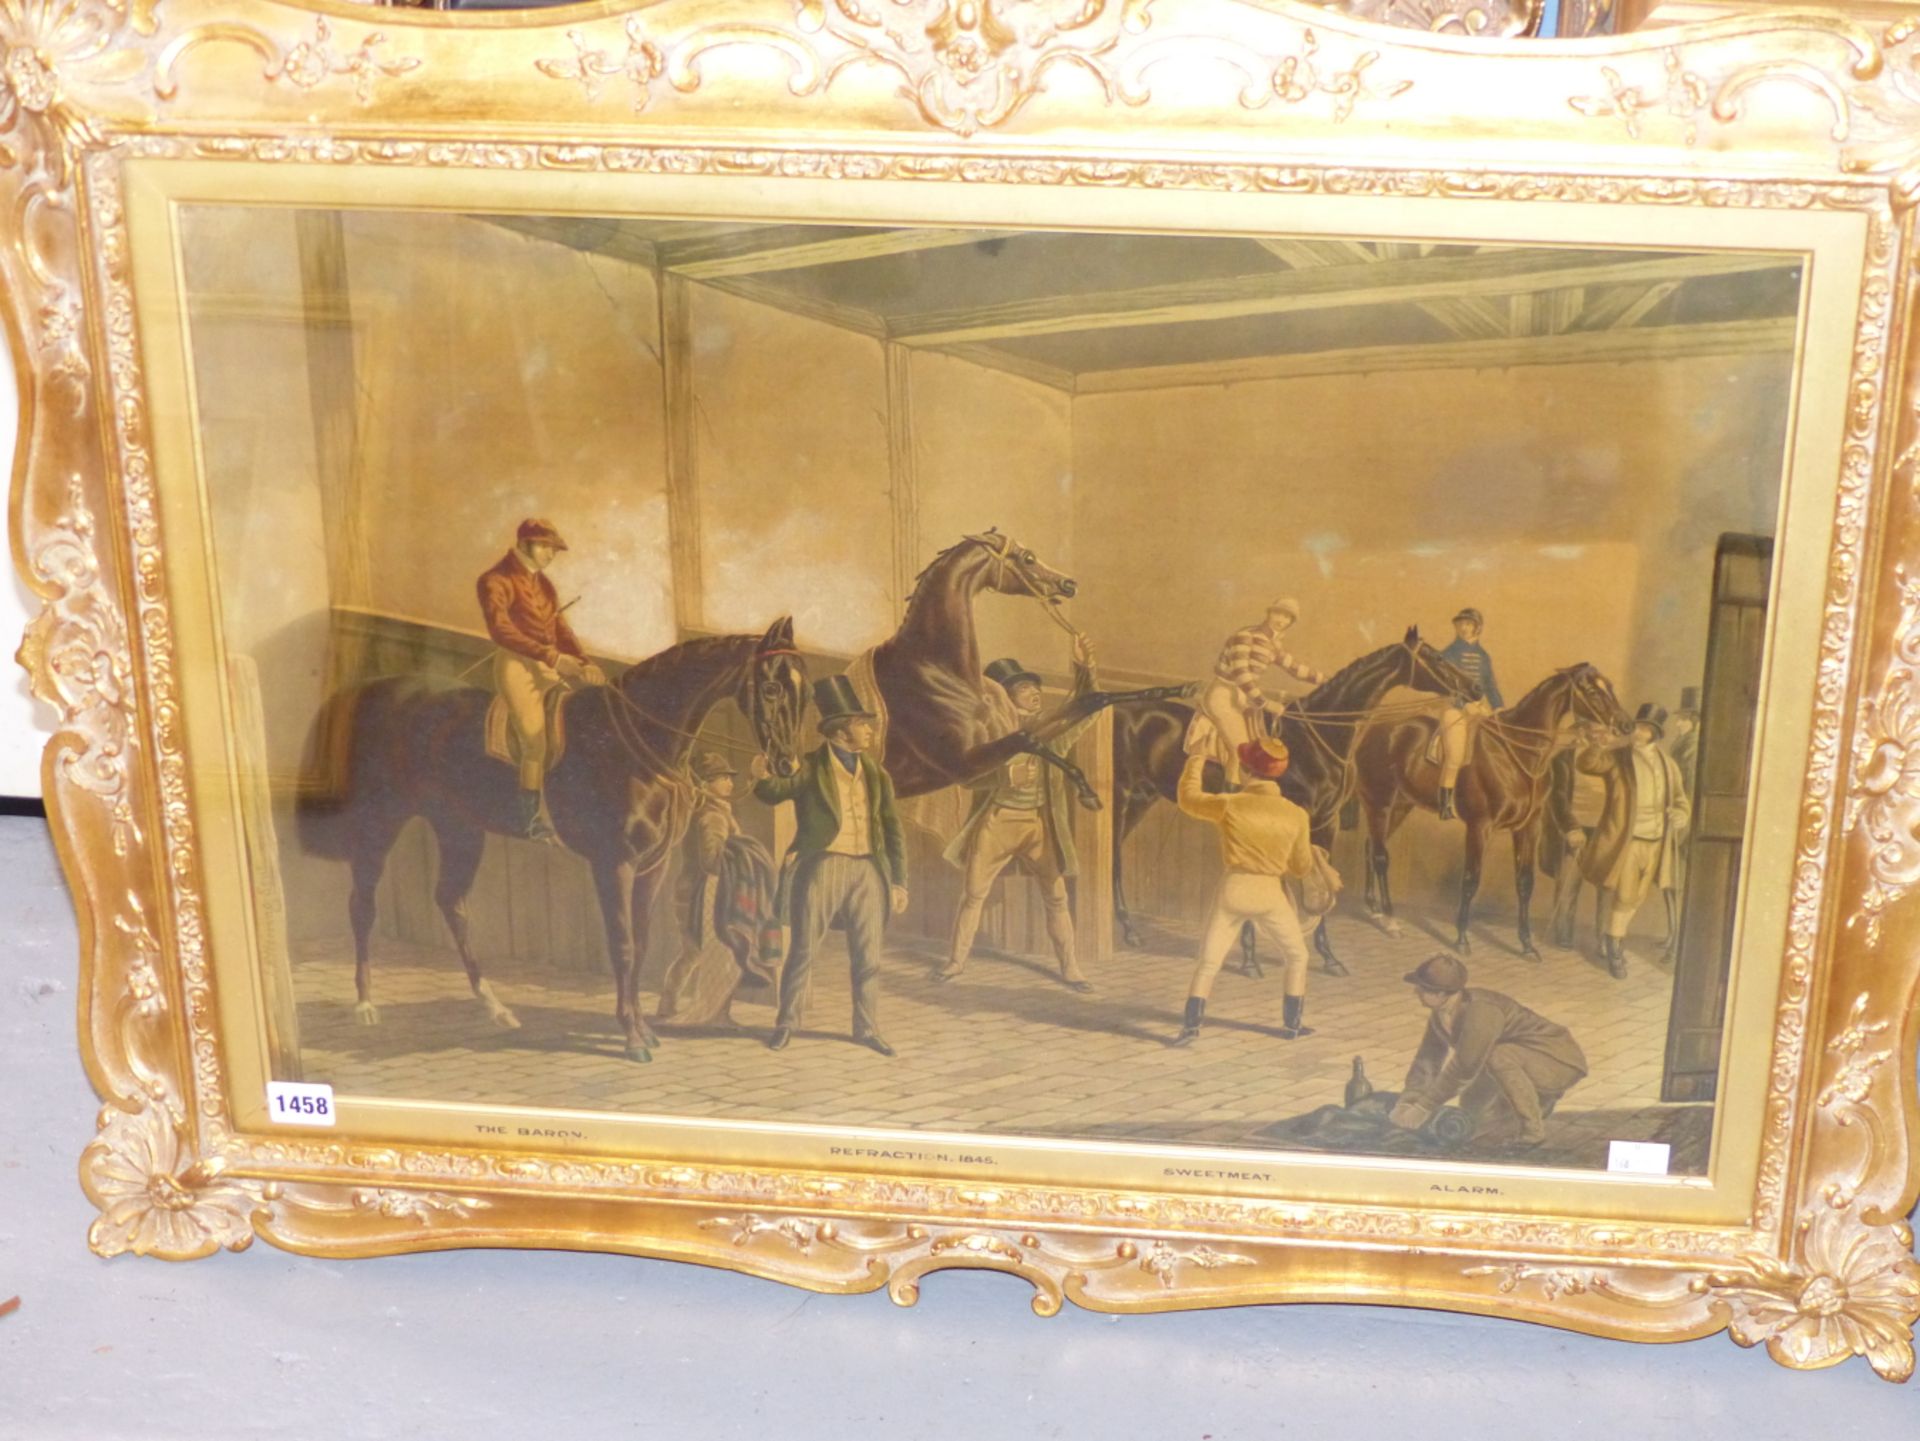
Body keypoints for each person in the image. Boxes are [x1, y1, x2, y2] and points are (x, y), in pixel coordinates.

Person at [753, 674, 908, 1056]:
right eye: (861, 724)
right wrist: (761, 775)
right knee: (804, 949)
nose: (869, 730)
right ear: (840, 733)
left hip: (869, 870)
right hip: (823, 866)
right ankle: (786, 1023)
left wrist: (899, 881)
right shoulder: (809, 767)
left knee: (869, 955)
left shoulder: (876, 773)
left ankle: (866, 1028)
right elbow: (776, 792)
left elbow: (892, 828)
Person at [940, 636, 1100, 990]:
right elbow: (965, 777)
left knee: (1057, 896)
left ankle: (1070, 967)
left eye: (1033, 687)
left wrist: (1085, 668)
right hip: (998, 821)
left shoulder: (1050, 730)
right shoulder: (987, 734)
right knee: (972, 894)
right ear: (1004, 697)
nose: (1034, 693)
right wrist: (1003, 776)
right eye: (1023, 688)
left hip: (1039, 825)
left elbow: (1087, 710)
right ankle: (955, 962)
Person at [1171, 736, 1320, 1046]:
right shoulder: (1297, 815)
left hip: (1234, 888)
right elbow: (1301, 867)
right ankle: (1292, 1025)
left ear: (1247, 770)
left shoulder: (1230, 804)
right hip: (1269, 893)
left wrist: (1197, 758)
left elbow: (1188, 799)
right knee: (1297, 955)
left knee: (1209, 961)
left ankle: (1191, 1028)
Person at [475, 518, 606, 840]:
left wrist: (584, 661)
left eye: (554, 548)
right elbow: (501, 631)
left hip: (550, 665)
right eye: (545, 546)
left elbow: (560, 630)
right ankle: (530, 821)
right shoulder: (494, 580)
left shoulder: (544, 584)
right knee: (535, 740)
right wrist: (553, 658)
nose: (551, 554)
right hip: (517, 667)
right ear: (524, 544)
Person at [1387, 954, 1588, 1150]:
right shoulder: (1440, 1014)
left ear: (1440, 993)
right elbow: (1427, 1060)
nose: (1416, 992)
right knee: (1474, 1114)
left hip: (1557, 1061)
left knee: (1497, 1056)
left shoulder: (1481, 1011)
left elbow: (1465, 1067)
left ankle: (1533, 1130)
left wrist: (1425, 1106)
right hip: (1515, 1060)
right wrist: (1409, 1100)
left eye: (1421, 989)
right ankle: (1533, 1105)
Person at [655, 751, 780, 1028]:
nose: (729, 784)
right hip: (704, 894)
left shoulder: (711, 809)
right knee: (710, 954)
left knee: (694, 953)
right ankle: (710, 1012)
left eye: (728, 778)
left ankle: (670, 1005)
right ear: (705, 783)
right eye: (722, 778)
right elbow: (712, 860)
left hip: (696, 891)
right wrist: (744, 854)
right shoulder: (712, 815)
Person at [1578, 702, 1691, 977]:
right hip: (1626, 839)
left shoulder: (1668, 764)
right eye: (1637, 727)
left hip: (1656, 841)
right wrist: (1597, 743)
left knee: (1637, 898)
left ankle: (1612, 936)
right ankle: (1615, 949)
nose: (1638, 733)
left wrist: (1681, 814)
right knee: (1625, 895)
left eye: (1644, 729)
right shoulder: (1618, 757)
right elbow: (1587, 763)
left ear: (1655, 733)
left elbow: (1680, 798)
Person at [1188, 599, 1324, 785]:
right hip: (1223, 695)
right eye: (1279, 613)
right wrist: (1266, 703)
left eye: (1287, 618)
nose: (1281, 620)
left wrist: (1329, 680)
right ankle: (1228, 806)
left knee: (1259, 755)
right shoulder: (1245, 636)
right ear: (1269, 613)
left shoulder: (1272, 644)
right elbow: (1241, 674)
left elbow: (1295, 668)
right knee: (1242, 752)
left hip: (1246, 700)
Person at [1541, 723, 1609, 951]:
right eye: (1594, 731)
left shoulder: (1610, 759)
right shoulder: (1563, 759)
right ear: (1582, 732)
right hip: (1575, 830)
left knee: (1608, 888)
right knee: (1568, 886)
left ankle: (1605, 940)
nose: (1600, 736)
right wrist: (1571, 828)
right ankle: (1563, 936)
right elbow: (1557, 796)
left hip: (1604, 832)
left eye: (1604, 731)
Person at [1435, 607, 1503, 822]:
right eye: (1460, 624)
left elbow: (1490, 685)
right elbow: (1444, 685)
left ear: (1477, 628)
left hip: (1478, 707)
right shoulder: (1448, 654)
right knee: (1455, 755)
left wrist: (1498, 707)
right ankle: (1444, 804)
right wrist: (1464, 706)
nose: (1463, 628)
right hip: (1453, 708)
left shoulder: (1483, 656)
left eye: (1468, 624)